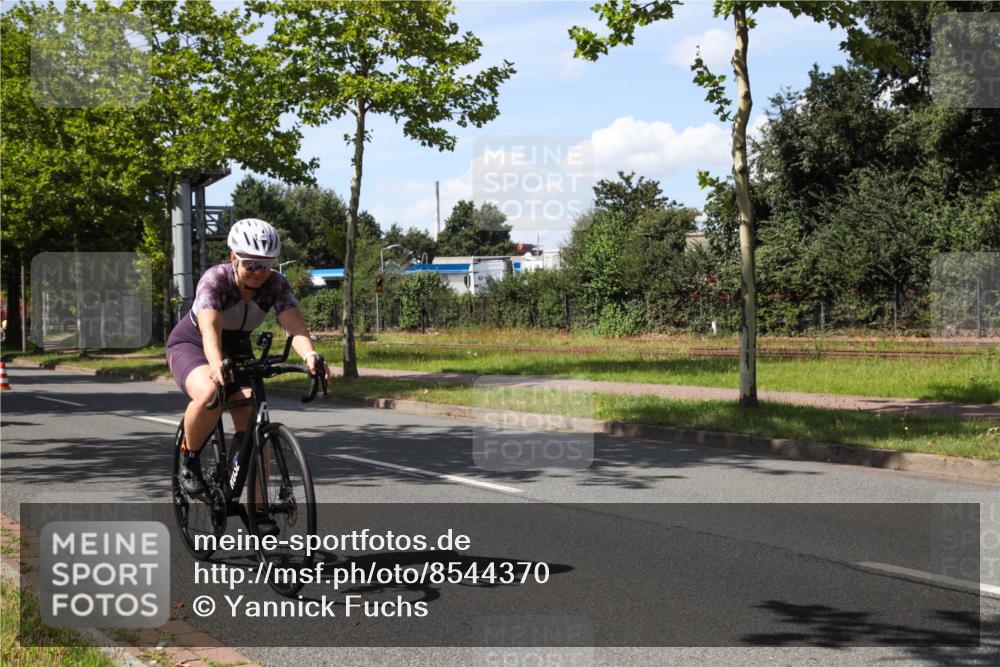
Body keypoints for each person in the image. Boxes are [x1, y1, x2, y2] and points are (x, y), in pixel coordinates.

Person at [165, 218, 331, 506]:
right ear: (233, 258)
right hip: (193, 344)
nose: (258, 272)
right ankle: (189, 458)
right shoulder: (215, 280)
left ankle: (259, 510)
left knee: (254, 425)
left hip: (236, 349)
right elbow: (209, 328)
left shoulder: (276, 284)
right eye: (250, 264)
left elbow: (295, 327)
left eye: (265, 265)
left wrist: (311, 356)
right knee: (209, 392)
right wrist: (216, 363)